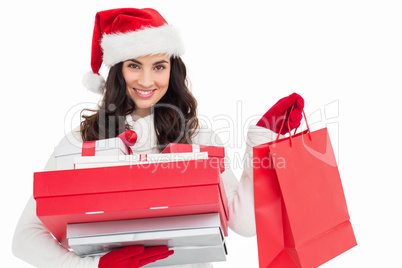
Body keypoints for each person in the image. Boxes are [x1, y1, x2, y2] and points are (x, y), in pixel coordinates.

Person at [12, 7, 304, 268]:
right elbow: (24, 238)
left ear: (172, 71)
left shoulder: (197, 136)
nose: (147, 81)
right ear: (117, 71)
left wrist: (262, 145)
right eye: (134, 65)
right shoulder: (80, 141)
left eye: (159, 66)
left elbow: (244, 223)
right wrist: (96, 266)